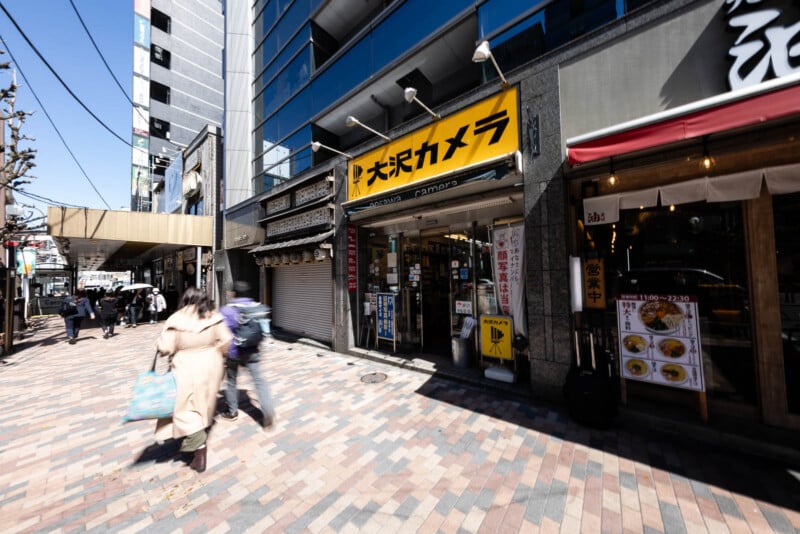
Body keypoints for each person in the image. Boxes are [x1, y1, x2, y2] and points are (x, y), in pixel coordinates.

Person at [154, 287, 232, 473]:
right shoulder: (213, 316)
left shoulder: (177, 318)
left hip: (186, 365)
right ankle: (197, 439)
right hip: (212, 364)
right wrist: (218, 353)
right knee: (204, 403)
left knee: (185, 407)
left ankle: (198, 448)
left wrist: (160, 344)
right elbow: (227, 340)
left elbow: (165, 347)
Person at [219, 281, 275, 429]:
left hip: (234, 351)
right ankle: (268, 410)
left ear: (233, 293)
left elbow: (221, 332)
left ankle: (232, 412)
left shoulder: (227, 310)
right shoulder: (255, 307)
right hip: (253, 350)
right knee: (259, 381)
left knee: (231, 381)